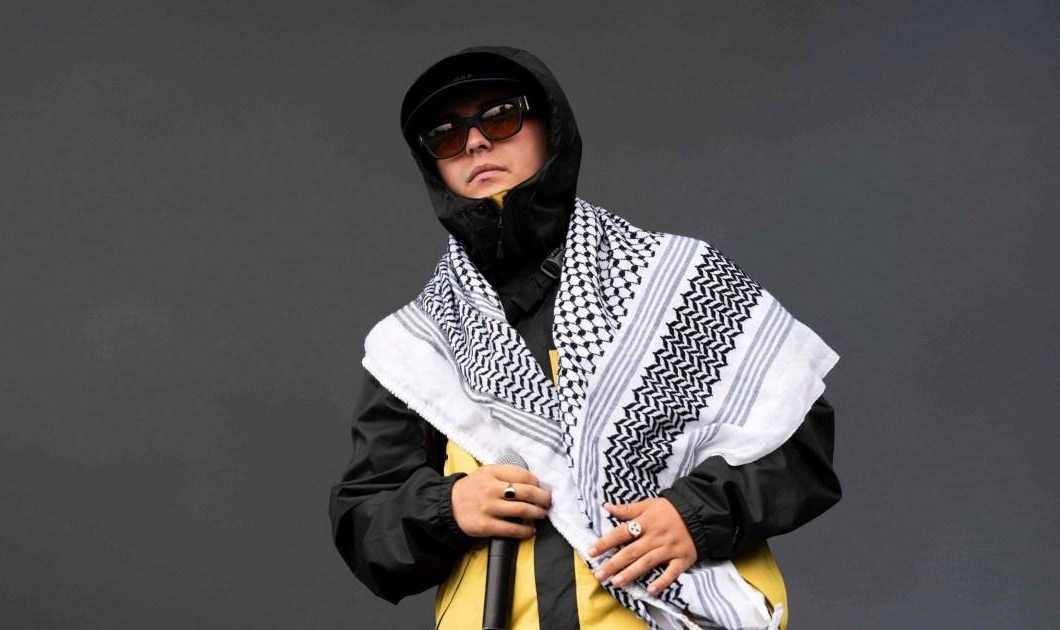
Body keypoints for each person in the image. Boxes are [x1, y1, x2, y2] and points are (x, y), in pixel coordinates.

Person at [328, 45, 841, 629]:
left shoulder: (675, 281)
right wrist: (448, 507)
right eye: (445, 135)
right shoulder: (416, 347)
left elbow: (799, 442)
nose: (474, 143)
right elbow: (366, 527)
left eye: (500, 116)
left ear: (551, 126)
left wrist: (696, 515)